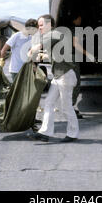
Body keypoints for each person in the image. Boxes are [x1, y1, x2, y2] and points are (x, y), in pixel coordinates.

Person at [27, 14, 79, 143]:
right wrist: (43, 56)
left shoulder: (52, 34)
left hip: (65, 75)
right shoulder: (54, 35)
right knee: (49, 103)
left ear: (49, 24)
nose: (39, 28)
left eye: (41, 25)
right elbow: (54, 54)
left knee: (66, 107)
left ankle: (73, 133)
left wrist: (31, 52)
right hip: (58, 75)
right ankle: (45, 132)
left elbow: (36, 48)